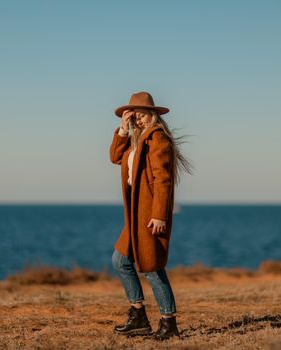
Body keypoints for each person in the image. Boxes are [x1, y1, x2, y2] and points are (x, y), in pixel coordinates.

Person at [109, 91, 192, 341]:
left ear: (153, 114)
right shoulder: (137, 140)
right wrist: (123, 130)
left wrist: (159, 215)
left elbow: (163, 180)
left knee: (152, 267)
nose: (139, 119)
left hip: (149, 213)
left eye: (143, 114)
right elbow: (114, 157)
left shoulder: (158, 139)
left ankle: (169, 323)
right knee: (120, 260)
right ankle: (139, 316)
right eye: (135, 115)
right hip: (135, 214)